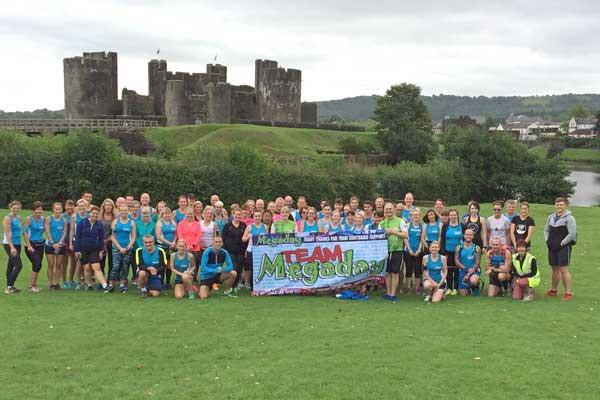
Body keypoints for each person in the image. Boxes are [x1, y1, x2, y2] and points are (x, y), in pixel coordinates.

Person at [544, 197, 577, 301]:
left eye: (561, 205)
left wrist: (562, 243)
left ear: (566, 205)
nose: (559, 206)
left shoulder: (570, 218)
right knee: (554, 269)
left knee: (563, 270)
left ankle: (568, 293)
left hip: (564, 247)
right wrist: (547, 241)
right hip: (552, 246)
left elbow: (572, 234)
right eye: (557, 205)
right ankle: (553, 290)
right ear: (555, 205)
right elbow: (546, 230)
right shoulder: (551, 217)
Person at [74, 206, 109, 291]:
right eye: (93, 213)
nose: (95, 215)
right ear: (90, 213)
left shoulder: (99, 225)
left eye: (97, 214)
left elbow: (101, 239)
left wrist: (101, 251)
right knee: (86, 268)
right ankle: (89, 284)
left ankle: (105, 285)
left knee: (96, 267)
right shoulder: (82, 223)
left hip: (94, 249)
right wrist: (77, 250)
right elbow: (77, 237)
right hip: (83, 249)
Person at [380, 202, 407, 302]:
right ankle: (388, 293)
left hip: (397, 250)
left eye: (390, 209)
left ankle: (393, 294)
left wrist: (392, 232)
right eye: (386, 209)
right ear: (384, 211)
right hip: (385, 250)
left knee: (395, 272)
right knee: (387, 272)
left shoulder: (400, 221)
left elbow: (405, 235)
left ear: (394, 210)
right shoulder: (382, 223)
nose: (388, 211)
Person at [108, 204, 136, 293]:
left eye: (125, 210)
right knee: (115, 266)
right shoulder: (115, 222)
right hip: (116, 247)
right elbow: (112, 236)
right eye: (122, 210)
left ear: (128, 211)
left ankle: (122, 284)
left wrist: (128, 247)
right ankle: (111, 284)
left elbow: (133, 237)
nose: (124, 212)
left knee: (125, 266)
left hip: (127, 248)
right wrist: (119, 247)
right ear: (119, 211)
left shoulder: (132, 223)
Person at [23, 201, 46, 292]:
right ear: (34, 210)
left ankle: (34, 285)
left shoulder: (43, 219)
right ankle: (30, 286)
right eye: (37, 209)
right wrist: (29, 246)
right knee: (37, 264)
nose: (38, 211)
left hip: (41, 245)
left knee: (38, 265)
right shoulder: (29, 219)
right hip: (31, 245)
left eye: (40, 209)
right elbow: (24, 232)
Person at [222, 209, 247, 290]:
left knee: (239, 268)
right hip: (230, 251)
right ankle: (230, 286)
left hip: (241, 251)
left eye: (239, 215)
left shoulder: (243, 225)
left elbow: (245, 238)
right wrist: (225, 251)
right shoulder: (227, 225)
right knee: (234, 267)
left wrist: (245, 250)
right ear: (232, 215)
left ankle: (235, 286)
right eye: (236, 214)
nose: (238, 216)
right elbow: (223, 238)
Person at [242, 210, 268, 290]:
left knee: (261, 267)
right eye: (256, 216)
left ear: (261, 217)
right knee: (253, 268)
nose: (257, 218)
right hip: (251, 251)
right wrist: (248, 236)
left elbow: (267, 239)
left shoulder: (265, 227)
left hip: (262, 251)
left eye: (259, 216)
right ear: (253, 217)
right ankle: (253, 287)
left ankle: (261, 285)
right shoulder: (249, 227)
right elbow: (243, 239)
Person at [45, 202, 67, 290]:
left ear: (62, 210)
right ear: (53, 209)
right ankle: (50, 284)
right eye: (56, 209)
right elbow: (47, 231)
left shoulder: (64, 220)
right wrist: (53, 243)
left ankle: (56, 283)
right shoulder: (49, 219)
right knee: (51, 264)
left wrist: (60, 242)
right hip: (50, 245)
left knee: (58, 265)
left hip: (60, 245)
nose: (57, 211)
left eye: (59, 209)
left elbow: (64, 232)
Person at [440, 208, 463, 296]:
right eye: (451, 215)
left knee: (456, 270)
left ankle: (456, 288)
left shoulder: (462, 226)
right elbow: (442, 240)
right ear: (449, 216)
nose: (453, 216)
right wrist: (443, 253)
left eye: (454, 215)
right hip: (448, 251)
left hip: (458, 253)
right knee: (449, 270)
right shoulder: (445, 226)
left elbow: (465, 239)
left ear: (457, 215)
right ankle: (449, 288)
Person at [3, 201, 23, 294]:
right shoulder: (8, 218)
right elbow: (7, 233)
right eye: (14, 208)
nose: (16, 209)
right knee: (19, 265)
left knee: (11, 265)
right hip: (9, 244)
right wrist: (12, 247)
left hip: (18, 243)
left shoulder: (18, 218)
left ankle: (9, 286)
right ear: (10, 208)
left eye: (17, 208)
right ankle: (9, 287)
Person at [455, 229, 482, 296]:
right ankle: (468, 287)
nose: (469, 236)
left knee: (474, 281)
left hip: (474, 270)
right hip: (463, 270)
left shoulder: (477, 248)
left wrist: (469, 273)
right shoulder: (459, 247)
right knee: (463, 294)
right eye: (467, 234)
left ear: (473, 236)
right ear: (464, 236)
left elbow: (477, 263)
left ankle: (475, 286)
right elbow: (456, 261)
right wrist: (466, 269)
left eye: (470, 235)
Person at [403, 208, 424, 295]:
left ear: (419, 216)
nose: (416, 216)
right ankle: (408, 287)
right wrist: (410, 249)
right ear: (411, 216)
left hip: (418, 252)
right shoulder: (408, 225)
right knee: (409, 269)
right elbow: (405, 238)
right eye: (414, 215)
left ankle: (417, 287)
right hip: (408, 251)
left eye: (417, 215)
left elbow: (421, 239)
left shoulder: (422, 226)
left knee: (417, 270)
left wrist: (419, 250)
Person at [156, 207, 178, 288]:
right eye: (165, 214)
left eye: (168, 213)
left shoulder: (173, 223)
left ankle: (168, 283)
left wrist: (174, 242)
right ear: (162, 214)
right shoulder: (159, 223)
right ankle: (161, 282)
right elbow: (159, 237)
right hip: (162, 246)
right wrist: (169, 243)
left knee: (169, 265)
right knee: (162, 265)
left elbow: (176, 234)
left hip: (171, 247)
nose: (167, 215)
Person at [177, 207, 202, 274]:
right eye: (188, 214)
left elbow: (199, 235)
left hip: (195, 247)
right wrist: (186, 246)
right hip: (184, 247)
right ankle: (183, 276)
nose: (189, 215)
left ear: (193, 214)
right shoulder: (181, 223)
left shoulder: (197, 224)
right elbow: (180, 235)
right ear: (185, 214)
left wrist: (192, 245)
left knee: (194, 264)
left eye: (191, 214)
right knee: (185, 264)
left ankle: (194, 279)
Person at [61, 199, 76, 288]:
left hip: (74, 241)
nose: (70, 207)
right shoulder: (62, 216)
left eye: (71, 205)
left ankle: (71, 279)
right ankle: (64, 281)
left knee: (74, 261)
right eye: (68, 205)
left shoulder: (75, 216)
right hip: (64, 241)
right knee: (64, 262)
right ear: (65, 206)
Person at [99, 198, 116, 279]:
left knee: (111, 263)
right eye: (106, 205)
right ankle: (102, 281)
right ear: (104, 206)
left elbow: (116, 231)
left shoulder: (115, 217)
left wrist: (108, 240)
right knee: (101, 262)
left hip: (112, 242)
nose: (108, 207)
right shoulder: (99, 217)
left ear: (112, 207)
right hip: (100, 242)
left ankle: (110, 280)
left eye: (110, 205)